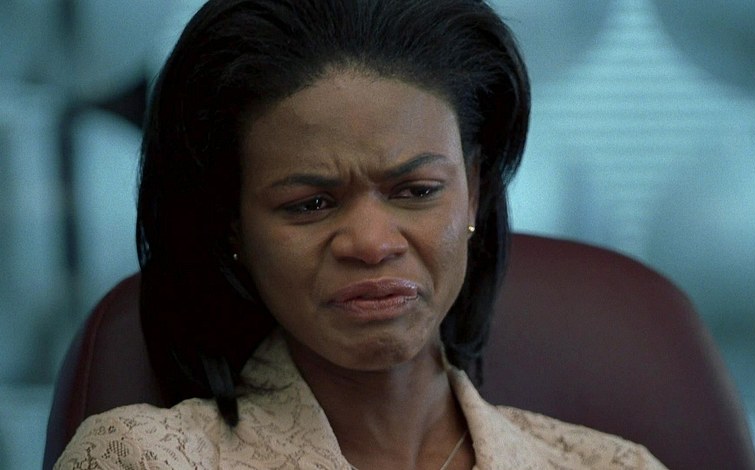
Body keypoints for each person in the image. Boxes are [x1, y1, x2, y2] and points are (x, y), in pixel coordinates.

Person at [56, 0, 667, 468]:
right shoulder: (144, 458)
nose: (373, 245)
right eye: (310, 204)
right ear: (234, 227)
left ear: (474, 191)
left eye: (417, 191)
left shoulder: (613, 465)